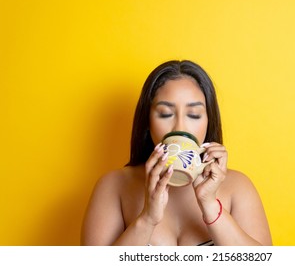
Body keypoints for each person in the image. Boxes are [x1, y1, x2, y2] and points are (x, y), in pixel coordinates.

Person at [81, 60, 272, 246]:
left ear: (208, 121)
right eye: (165, 114)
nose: (180, 127)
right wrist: (148, 218)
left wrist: (211, 207)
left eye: (194, 115)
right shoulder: (114, 186)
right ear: (147, 122)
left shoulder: (238, 187)